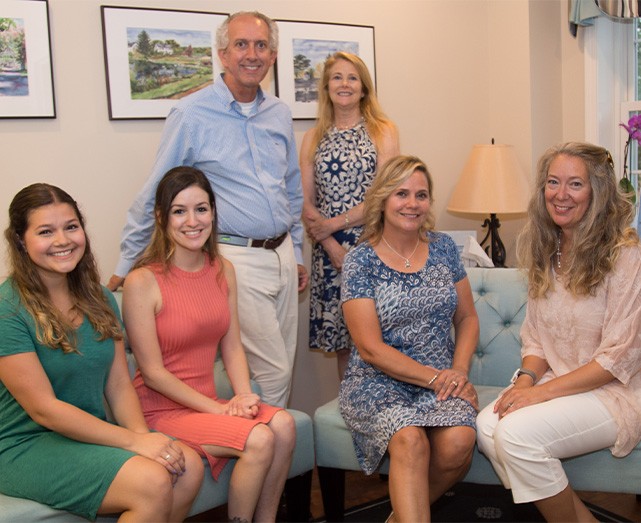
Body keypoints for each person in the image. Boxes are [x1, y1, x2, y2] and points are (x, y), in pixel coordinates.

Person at [108, 11, 308, 407]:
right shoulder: (192, 113)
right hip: (236, 257)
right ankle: (263, 446)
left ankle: (268, 451)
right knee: (273, 370)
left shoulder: (279, 113)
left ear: (272, 55)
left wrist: (297, 250)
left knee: (283, 361)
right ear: (222, 54)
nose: (251, 54)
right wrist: (125, 264)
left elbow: (290, 187)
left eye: (261, 45)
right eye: (241, 44)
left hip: (283, 253)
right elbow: (156, 192)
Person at [0, 183, 203, 522]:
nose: (63, 240)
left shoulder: (100, 298)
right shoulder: (8, 311)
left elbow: (119, 386)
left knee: (189, 467)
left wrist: (143, 437)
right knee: (153, 480)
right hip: (24, 445)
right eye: (46, 231)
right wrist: (134, 443)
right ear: (20, 240)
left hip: (88, 434)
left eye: (71, 227)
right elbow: (46, 411)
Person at [476, 142, 641, 522]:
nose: (560, 195)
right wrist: (525, 381)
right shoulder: (547, 251)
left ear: (597, 193)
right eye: (553, 182)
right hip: (557, 379)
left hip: (612, 392)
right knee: (488, 427)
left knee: (516, 437)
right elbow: (535, 339)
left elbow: (617, 357)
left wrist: (539, 394)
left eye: (575, 185)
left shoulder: (624, 254)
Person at [122, 166, 296, 523]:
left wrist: (244, 396)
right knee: (259, 439)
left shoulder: (222, 269)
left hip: (206, 404)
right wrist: (218, 410)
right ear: (161, 217)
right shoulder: (142, 281)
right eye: (179, 211)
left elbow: (232, 346)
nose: (192, 221)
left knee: (285, 424)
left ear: (213, 213)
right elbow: (153, 374)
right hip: (160, 411)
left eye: (201, 209)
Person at [339, 155, 480, 522]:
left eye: (421, 194)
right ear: (383, 199)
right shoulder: (360, 261)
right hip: (377, 382)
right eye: (401, 193)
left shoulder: (445, 247)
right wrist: (437, 378)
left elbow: (466, 317)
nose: (412, 203)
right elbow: (370, 348)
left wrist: (459, 371)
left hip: (440, 381)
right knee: (409, 438)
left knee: (460, 441)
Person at [299, 51, 400, 379]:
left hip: (373, 244)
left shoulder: (382, 130)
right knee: (343, 340)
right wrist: (330, 243)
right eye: (337, 78)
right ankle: (350, 409)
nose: (345, 84)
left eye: (352, 77)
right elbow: (304, 200)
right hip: (329, 252)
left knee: (378, 337)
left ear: (363, 87)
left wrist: (335, 225)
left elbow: (384, 193)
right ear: (327, 88)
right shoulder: (312, 137)